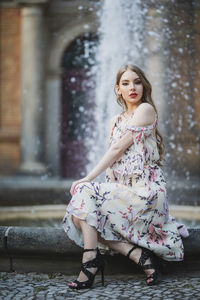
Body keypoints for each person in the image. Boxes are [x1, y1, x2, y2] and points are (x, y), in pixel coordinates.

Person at [62, 64, 189, 289]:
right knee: (80, 215)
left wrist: (87, 179)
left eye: (137, 82)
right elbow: (114, 165)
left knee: (84, 195)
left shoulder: (146, 109)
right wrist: (98, 192)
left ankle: (91, 263)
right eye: (126, 83)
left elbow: (116, 150)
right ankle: (138, 255)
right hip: (125, 191)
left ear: (144, 86)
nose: (132, 88)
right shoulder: (115, 121)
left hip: (147, 192)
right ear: (118, 89)